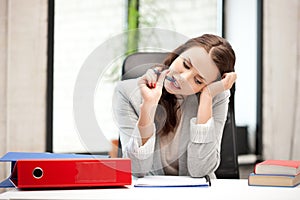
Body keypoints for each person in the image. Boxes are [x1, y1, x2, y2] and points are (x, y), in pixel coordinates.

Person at [113, 34, 237, 178]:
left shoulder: (216, 96)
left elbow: (200, 170)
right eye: (185, 65)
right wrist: (148, 106)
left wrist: (207, 96)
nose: (183, 78)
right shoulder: (127, 92)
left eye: (198, 80)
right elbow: (136, 169)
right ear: (178, 53)